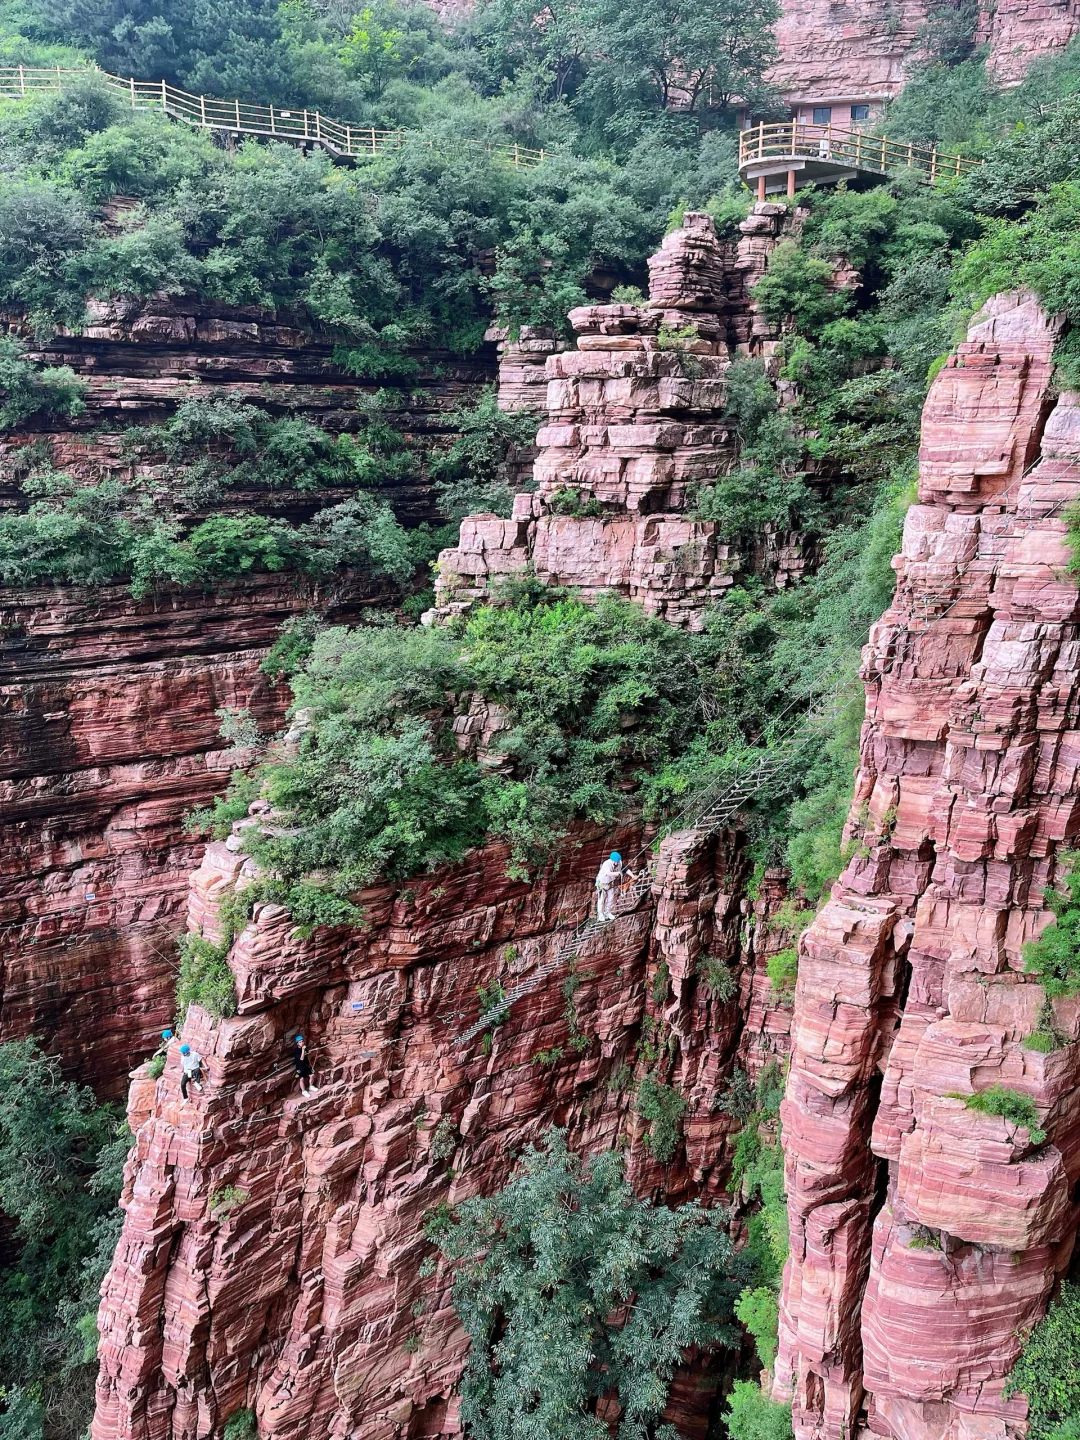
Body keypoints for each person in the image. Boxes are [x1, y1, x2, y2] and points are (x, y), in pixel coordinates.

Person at [595, 851, 623, 922]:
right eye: (615, 862)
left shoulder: (619, 863)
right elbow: (608, 873)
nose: (617, 863)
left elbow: (623, 869)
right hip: (602, 883)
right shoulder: (607, 864)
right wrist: (617, 873)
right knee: (601, 899)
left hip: (610, 882)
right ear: (612, 860)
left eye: (618, 862)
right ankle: (600, 914)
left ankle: (607, 912)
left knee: (611, 898)